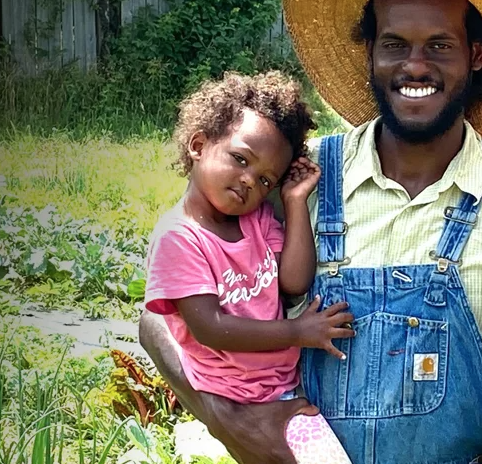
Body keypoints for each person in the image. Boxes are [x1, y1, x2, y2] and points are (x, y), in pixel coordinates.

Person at [139, 0, 482, 462]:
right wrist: (223, 417)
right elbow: (160, 316)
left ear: (474, 55)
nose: (415, 65)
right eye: (394, 43)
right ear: (369, 52)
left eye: (439, 46)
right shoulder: (294, 178)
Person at [142, 71, 353, 464]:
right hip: (237, 398)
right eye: (240, 159)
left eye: (264, 180)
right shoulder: (180, 238)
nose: (247, 182)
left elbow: (293, 281)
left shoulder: (254, 222)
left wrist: (293, 202)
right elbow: (209, 328)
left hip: (280, 387)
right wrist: (297, 331)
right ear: (199, 145)